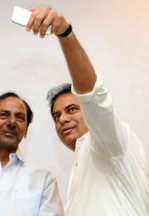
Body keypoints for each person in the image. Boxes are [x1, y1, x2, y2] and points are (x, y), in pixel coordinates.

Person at [25, 5, 149, 216]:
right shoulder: (81, 161)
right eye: (56, 116)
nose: (62, 119)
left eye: (71, 109)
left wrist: (64, 33)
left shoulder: (109, 142)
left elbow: (91, 95)